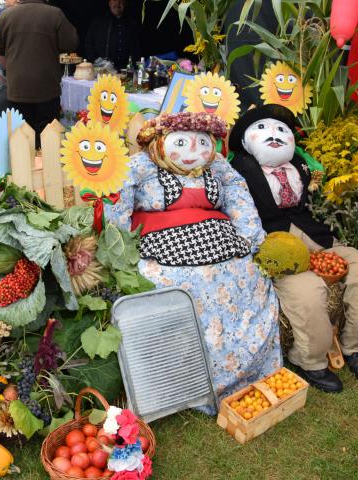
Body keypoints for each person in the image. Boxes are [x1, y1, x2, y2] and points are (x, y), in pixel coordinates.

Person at [106, 112, 282, 412]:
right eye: (181, 143)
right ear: (160, 142)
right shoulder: (141, 165)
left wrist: (251, 237)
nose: (192, 151)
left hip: (219, 239)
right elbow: (119, 198)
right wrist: (120, 248)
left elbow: (238, 193)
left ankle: (243, 369)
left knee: (249, 277)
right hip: (161, 243)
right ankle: (188, 383)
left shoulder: (218, 166)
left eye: (202, 143)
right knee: (176, 286)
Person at [230, 105, 358, 393]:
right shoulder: (237, 170)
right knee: (307, 292)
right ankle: (311, 360)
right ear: (244, 140)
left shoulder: (302, 165)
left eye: (281, 130)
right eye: (262, 128)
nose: (274, 135)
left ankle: (356, 346)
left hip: (317, 236)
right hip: (279, 247)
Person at [0, 0, 78, 147]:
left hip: (18, 89)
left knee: (22, 140)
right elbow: (71, 43)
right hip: (47, 89)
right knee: (49, 140)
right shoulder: (55, 14)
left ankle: (25, 161)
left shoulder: (7, 15)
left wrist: (13, 48)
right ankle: (47, 160)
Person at [84, 0, 141, 70]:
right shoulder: (98, 21)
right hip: (102, 69)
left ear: (125, 4)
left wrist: (135, 67)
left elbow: (136, 48)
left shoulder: (131, 23)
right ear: (109, 3)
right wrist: (96, 60)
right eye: (114, 0)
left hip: (125, 70)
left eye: (121, 0)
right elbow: (88, 43)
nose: (117, 3)